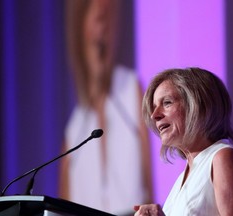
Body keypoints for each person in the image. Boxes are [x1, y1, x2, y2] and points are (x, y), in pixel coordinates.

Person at [59, 0, 153, 215]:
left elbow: (150, 188)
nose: (104, 30)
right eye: (99, 19)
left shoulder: (132, 92)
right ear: (80, 30)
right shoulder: (74, 132)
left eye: (109, 20)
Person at [133, 67, 233, 216]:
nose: (155, 115)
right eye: (154, 108)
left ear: (199, 105)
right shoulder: (183, 178)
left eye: (167, 103)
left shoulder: (223, 159)